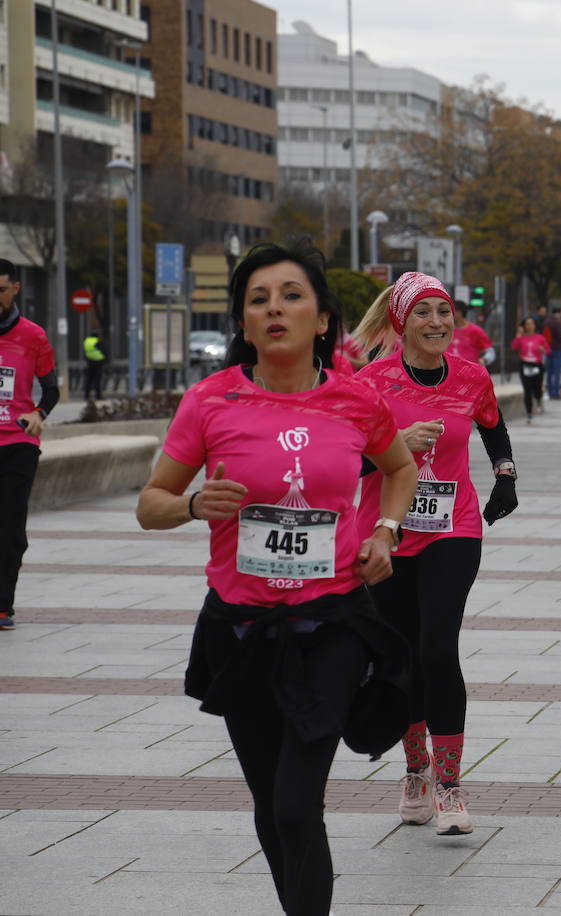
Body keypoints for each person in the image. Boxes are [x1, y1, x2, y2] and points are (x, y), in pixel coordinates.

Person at [135, 240, 419, 915]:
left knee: (296, 804)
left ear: (321, 319)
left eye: (291, 296)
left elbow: (400, 468)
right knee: (270, 805)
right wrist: (194, 504)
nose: (274, 309)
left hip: (333, 622)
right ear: (242, 321)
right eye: (258, 299)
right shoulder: (211, 400)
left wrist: (385, 532)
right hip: (241, 628)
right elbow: (150, 504)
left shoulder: (355, 399)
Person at [353, 271, 519, 838]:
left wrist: (505, 476)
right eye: (422, 312)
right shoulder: (371, 382)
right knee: (404, 656)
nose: (436, 322)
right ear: (401, 322)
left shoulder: (471, 377)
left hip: (454, 528)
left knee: (439, 650)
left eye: (443, 311)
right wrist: (393, 450)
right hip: (387, 531)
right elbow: (344, 459)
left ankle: (449, 785)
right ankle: (415, 770)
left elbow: (493, 428)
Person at [0, 259, 59, 631]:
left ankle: (2, 605)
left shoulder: (32, 335)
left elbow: (51, 390)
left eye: (1, 290)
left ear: (15, 289)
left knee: (9, 528)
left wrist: (39, 413)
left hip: (17, 443)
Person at [512, 316, 550, 423]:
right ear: (524, 326)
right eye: (527, 324)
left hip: (536, 365)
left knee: (537, 387)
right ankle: (529, 412)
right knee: (527, 389)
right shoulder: (522, 338)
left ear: (535, 325)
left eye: (531, 323)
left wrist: (543, 349)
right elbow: (514, 347)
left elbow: (548, 350)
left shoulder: (540, 338)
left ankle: (538, 399)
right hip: (524, 365)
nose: (529, 326)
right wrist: (518, 336)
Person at [446, 300, 495, 369]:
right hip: (449, 371)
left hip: (469, 371)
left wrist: (484, 360)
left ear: (459, 312)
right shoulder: (445, 330)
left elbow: (491, 352)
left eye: (449, 312)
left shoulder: (476, 331)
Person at [544, 306, 561, 399]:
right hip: (557, 348)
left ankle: (550, 392)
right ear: (559, 313)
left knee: (549, 372)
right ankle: (556, 393)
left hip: (548, 348)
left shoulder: (546, 322)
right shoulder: (558, 322)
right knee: (557, 371)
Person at [83, 330, 105, 400]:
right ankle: (98, 396)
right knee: (97, 379)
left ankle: (86, 395)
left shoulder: (87, 341)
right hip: (98, 362)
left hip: (90, 362)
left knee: (89, 379)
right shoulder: (97, 341)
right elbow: (104, 350)